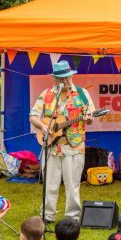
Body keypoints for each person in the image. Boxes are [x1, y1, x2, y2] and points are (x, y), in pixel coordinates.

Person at [29, 60, 96, 222]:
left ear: (72, 76)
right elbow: (33, 116)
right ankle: (47, 215)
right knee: (50, 185)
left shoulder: (82, 94)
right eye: (61, 79)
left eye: (68, 78)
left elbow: (91, 118)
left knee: (72, 186)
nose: (65, 82)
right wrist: (43, 127)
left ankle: (72, 217)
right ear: (55, 79)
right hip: (51, 147)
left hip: (74, 147)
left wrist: (88, 119)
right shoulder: (46, 94)